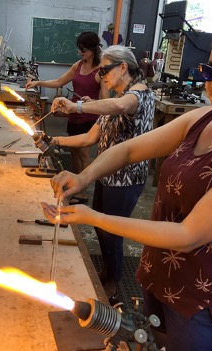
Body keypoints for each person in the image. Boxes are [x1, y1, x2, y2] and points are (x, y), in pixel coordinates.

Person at [42, 19, 212, 351]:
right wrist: (84, 176)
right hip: (160, 272)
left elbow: (190, 235)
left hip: (205, 296)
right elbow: (131, 148)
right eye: (209, 71)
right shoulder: (205, 118)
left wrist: (93, 217)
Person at [49, 45, 154, 301]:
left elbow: (119, 106)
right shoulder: (114, 99)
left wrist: (78, 108)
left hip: (126, 179)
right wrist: (53, 140)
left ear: (123, 67)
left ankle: (113, 282)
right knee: (99, 227)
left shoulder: (138, 95)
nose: (101, 76)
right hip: (106, 176)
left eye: (105, 70)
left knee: (112, 231)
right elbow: (88, 138)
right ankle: (107, 270)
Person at [26, 31, 109, 204]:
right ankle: (75, 185)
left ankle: (83, 191)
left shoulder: (101, 71)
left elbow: (106, 101)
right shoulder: (78, 65)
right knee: (73, 153)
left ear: (94, 49)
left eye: (84, 50)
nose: (80, 53)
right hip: (73, 116)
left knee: (84, 154)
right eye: (79, 49)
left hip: (89, 118)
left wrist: (91, 101)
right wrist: (38, 83)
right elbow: (59, 82)